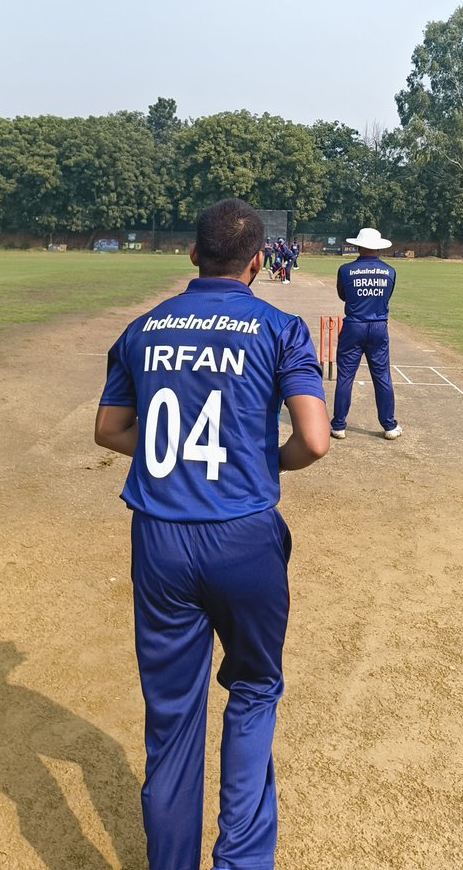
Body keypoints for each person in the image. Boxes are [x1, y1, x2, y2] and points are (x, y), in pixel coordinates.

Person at [95, 197, 329, 870]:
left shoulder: (143, 329)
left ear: (192, 254)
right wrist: (256, 459)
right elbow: (314, 440)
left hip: (161, 539)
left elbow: (109, 431)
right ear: (260, 262)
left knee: (172, 721)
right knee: (253, 692)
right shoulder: (280, 329)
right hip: (243, 536)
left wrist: (176, 456)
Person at [329, 226, 401, 441]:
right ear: (378, 248)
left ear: (358, 246)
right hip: (378, 327)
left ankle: (339, 425)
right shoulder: (389, 271)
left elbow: (343, 296)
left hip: (353, 326)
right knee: (382, 377)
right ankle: (389, 426)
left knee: (345, 377)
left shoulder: (345, 270)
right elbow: (386, 297)